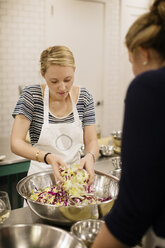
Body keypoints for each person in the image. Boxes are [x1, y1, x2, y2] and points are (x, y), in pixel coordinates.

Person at [92, 0, 165, 247]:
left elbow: (133, 211)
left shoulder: (149, 87)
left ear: (143, 53)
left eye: (130, 60)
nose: (132, 69)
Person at [11, 45, 99, 184]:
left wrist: (90, 156)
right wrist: (47, 157)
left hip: (74, 181)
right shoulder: (32, 96)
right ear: (43, 74)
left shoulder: (84, 97)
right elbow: (16, 143)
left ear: (74, 71)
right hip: (40, 180)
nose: (62, 87)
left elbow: (92, 141)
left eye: (68, 79)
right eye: (54, 81)